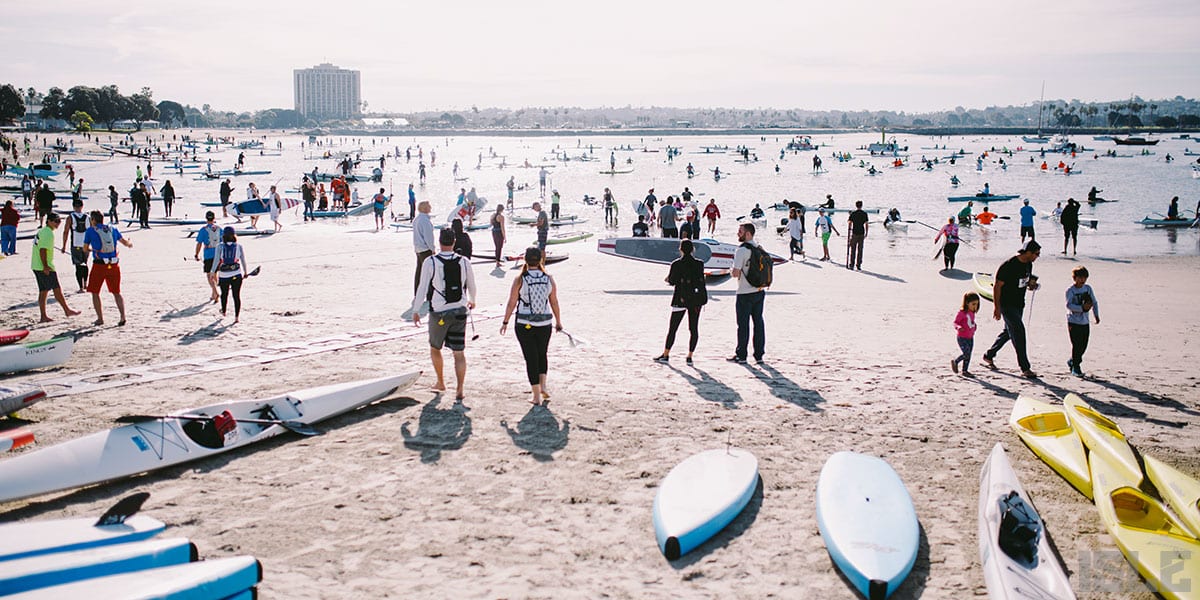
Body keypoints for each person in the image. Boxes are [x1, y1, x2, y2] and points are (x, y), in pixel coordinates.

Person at [413, 229, 477, 400]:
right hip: (460, 310)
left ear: (439, 242)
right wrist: (473, 300)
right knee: (459, 352)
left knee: (435, 348)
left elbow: (423, 287)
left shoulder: (431, 261)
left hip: (439, 311)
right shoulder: (464, 261)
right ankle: (460, 389)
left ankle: (441, 381)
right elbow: (471, 284)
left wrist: (416, 309)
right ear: (454, 242)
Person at [501, 247, 562, 406]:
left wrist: (505, 322)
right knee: (542, 354)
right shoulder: (549, 278)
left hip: (525, 323)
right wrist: (558, 321)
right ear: (540, 260)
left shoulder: (520, 279)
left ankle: (536, 396)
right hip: (545, 323)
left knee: (531, 358)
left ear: (525, 260)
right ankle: (543, 385)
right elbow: (554, 301)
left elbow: (511, 303)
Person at [981, 240, 1041, 378]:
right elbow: (997, 286)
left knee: (1009, 332)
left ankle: (989, 355)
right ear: (1028, 252)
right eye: (1036, 254)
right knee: (1019, 331)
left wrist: (1032, 285)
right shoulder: (1008, 265)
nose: (1037, 256)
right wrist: (997, 307)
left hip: (1019, 303)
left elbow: (1025, 282)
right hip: (1006, 304)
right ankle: (1025, 368)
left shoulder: (1028, 264)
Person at [653, 239, 707, 365]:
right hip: (695, 299)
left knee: (673, 328)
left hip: (680, 298)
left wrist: (667, 279)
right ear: (693, 249)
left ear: (680, 249)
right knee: (693, 328)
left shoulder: (676, 264)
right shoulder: (699, 264)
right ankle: (689, 356)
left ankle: (666, 354)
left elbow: (672, 281)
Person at [82, 210, 133, 326]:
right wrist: (130, 242)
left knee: (95, 292)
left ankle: (100, 318)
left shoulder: (90, 231)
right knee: (116, 292)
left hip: (99, 264)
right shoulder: (113, 229)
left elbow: (85, 248)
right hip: (113, 265)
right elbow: (125, 243)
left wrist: (91, 249)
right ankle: (122, 316)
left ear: (93, 220)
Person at [32, 212, 82, 323]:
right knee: (56, 289)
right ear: (49, 221)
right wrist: (45, 266)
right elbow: (42, 250)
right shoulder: (47, 233)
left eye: (59, 221)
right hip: (43, 266)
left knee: (43, 291)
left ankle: (43, 316)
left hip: (36, 265)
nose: (58, 223)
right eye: (56, 221)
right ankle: (67, 310)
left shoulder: (43, 231)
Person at [729, 223, 766, 364]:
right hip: (759, 291)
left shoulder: (741, 250)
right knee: (758, 323)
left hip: (744, 292)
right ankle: (759, 355)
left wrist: (731, 270)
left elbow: (736, 273)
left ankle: (741, 355)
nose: (738, 233)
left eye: (740, 231)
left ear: (748, 234)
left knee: (743, 325)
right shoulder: (759, 248)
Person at [1065, 265, 1100, 377]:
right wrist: (1081, 308)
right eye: (1080, 278)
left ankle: (1072, 361)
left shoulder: (1088, 288)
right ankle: (1076, 367)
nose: (1082, 280)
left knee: (1083, 345)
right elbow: (1069, 305)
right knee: (1076, 344)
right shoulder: (1071, 290)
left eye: (1084, 278)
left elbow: (1094, 302)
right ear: (1074, 278)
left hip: (1085, 322)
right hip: (1073, 321)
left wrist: (1096, 315)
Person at [211, 226, 249, 323]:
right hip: (236, 273)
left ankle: (223, 311)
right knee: (236, 296)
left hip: (224, 275)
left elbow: (216, 260)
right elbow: (243, 260)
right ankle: (236, 317)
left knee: (224, 294)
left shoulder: (220, 246)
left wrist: (212, 272)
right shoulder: (239, 246)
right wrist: (245, 272)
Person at [61, 198, 90, 293]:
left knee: (78, 265)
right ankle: (86, 284)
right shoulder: (87, 217)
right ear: (82, 206)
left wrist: (64, 246)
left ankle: (81, 287)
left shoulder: (70, 217)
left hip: (75, 244)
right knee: (85, 264)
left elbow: (66, 232)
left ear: (73, 206)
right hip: (86, 244)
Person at [194, 211, 221, 303]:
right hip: (218, 254)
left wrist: (196, 254)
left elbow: (199, 243)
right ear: (214, 218)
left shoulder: (203, 229)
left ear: (206, 218)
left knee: (209, 275)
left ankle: (216, 292)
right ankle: (214, 294)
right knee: (215, 274)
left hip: (208, 254)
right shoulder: (219, 229)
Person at [951, 292, 980, 377]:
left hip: (970, 337)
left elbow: (970, 322)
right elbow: (955, 322)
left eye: (977, 304)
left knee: (969, 354)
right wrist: (958, 327)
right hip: (962, 337)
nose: (975, 306)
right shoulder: (962, 313)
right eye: (973, 304)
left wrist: (974, 326)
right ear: (967, 303)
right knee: (966, 353)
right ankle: (956, 361)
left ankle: (965, 370)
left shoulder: (972, 313)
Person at [412, 201, 436, 295]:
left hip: (418, 248)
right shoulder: (425, 220)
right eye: (429, 206)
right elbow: (428, 237)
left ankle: (417, 291)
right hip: (425, 249)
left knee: (419, 271)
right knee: (429, 272)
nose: (430, 207)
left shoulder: (417, 219)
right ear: (425, 208)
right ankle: (430, 294)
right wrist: (433, 249)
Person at [846, 201, 869, 270]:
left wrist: (849, 229)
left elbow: (849, 222)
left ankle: (852, 264)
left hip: (855, 232)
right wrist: (866, 233)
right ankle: (858, 265)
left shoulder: (853, 214)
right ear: (861, 205)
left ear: (856, 205)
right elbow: (866, 224)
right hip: (861, 232)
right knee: (860, 249)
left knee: (853, 249)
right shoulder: (864, 214)